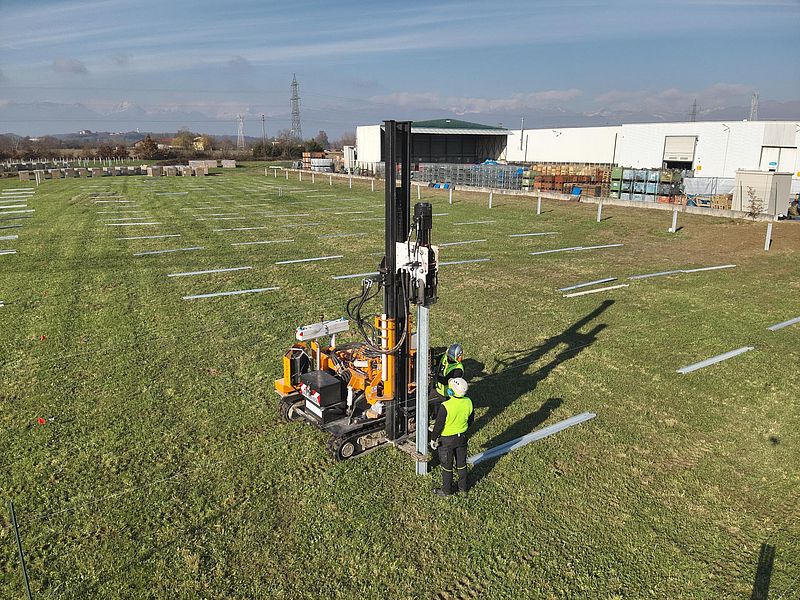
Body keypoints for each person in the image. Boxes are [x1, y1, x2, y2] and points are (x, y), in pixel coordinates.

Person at [430, 377, 474, 497]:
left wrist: (433, 438)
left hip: (447, 441)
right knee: (461, 464)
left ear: (451, 392)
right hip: (462, 438)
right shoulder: (469, 402)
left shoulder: (446, 406)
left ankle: (446, 491)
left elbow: (438, 425)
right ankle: (463, 489)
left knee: (447, 467)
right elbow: (471, 421)